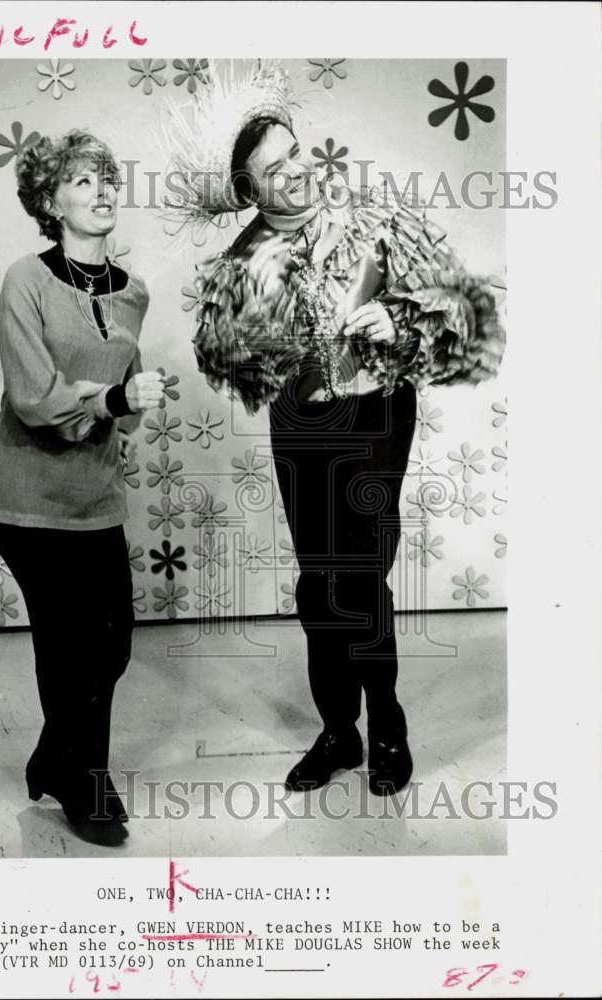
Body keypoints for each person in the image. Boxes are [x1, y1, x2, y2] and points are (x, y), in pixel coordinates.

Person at [165, 61, 504, 797]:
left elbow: (467, 309)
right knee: (318, 583)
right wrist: (254, 320)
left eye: (295, 153)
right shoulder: (243, 258)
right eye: (273, 168)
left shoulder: (377, 218)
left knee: (357, 575)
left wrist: (399, 315)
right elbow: (223, 362)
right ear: (248, 189)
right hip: (302, 423)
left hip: (377, 410)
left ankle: (387, 726)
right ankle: (337, 731)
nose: (295, 172)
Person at [0, 129, 164, 845]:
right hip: (24, 497)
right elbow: (32, 396)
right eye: (82, 182)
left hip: (94, 494)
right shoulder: (26, 278)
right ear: (51, 202)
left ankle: (56, 756)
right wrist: (109, 400)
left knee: (111, 644)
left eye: (108, 178)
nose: (102, 190)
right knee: (70, 644)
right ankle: (87, 784)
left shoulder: (134, 292)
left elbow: (118, 393)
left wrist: (132, 398)